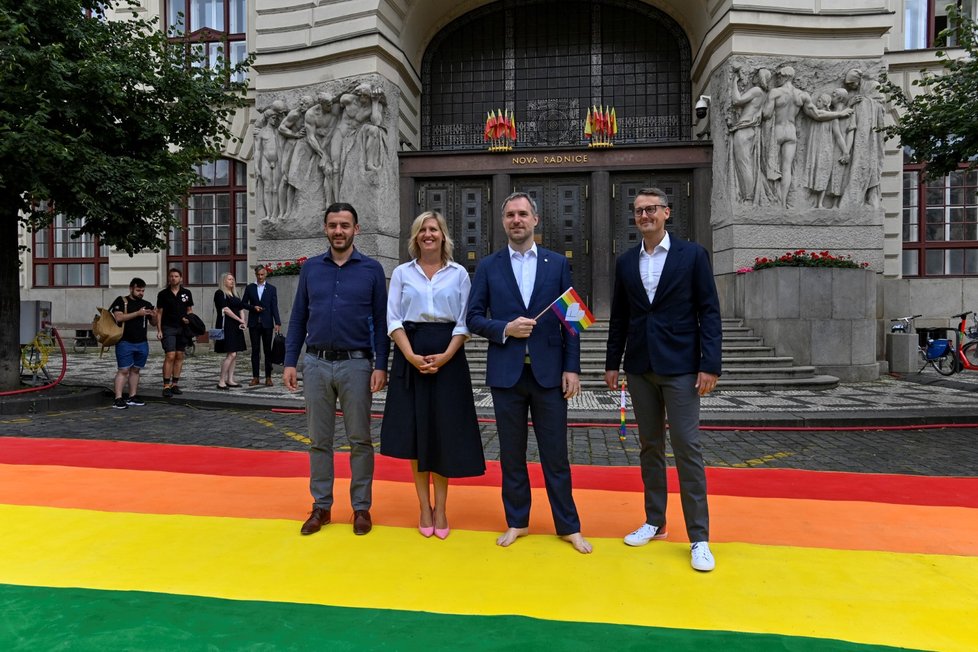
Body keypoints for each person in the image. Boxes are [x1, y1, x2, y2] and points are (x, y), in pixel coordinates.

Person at [603, 187, 723, 572]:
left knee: (687, 448)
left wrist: (710, 365)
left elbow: (710, 312)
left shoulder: (692, 256)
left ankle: (699, 537)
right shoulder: (625, 262)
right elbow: (620, 317)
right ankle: (655, 521)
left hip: (683, 367)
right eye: (639, 211)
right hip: (640, 366)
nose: (645, 216)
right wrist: (612, 363)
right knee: (649, 446)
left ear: (667, 213)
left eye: (652, 209)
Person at [467, 191, 592, 554]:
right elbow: (473, 318)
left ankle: (568, 526)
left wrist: (572, 367)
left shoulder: (556, 263)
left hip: (550, 374)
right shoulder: (489, 266)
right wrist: (505, 328)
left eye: (523, 214)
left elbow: (573, 320)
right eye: (510, 215)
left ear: (536, 220)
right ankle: (517, 521)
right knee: (511, 454)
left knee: (555, 455)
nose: (516, 220)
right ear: (503, 222)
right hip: (507, 375)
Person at [283, 202, 390, 537]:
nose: (339, 231)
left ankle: (361, 508)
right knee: (319, 440)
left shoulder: (371, 270)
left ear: (356, 229)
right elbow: (298, 317)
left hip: (357, 364)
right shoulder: (311, 269)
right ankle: (322, 506)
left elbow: (383, 321)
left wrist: (381, 365)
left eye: (345, 225)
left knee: (360, 439)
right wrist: (290, 361)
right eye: (333, 225)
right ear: (325, 228)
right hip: (315, 364)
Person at [381, 211, 485, 540]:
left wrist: (448, 355)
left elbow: (465, 320)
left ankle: (441, 508)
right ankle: (423, 506)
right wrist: (410, 355)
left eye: (434, 229)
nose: (428, 234)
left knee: (443, 434)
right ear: (415, 237)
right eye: (423, 229)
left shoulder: (459, 275)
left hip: (448, 360)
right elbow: (393, 318)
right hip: (409, 357)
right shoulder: (401, 273)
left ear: (443, 236)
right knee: (416, 434)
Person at [109, 278, 156, 409]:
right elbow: (118, 317)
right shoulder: (121, 301)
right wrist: (138, 313)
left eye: (143, 290)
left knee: (136, 370)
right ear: (131, 288)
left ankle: (132, 396)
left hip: (141, 341)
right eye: (138, 290)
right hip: (125, 341)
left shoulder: (146, 304)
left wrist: (154, 315)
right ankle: (118, 397)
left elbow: (153, 323)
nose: (141, 293)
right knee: (123, 370)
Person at [155, 268, 194, 399]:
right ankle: (166, 385)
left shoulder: (186, 293)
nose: (173, 278)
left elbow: (189, 310)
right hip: (168, 327)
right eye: (171, 276)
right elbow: (159, 313)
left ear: (181, 278)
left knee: (179, 355)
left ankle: (175, 384)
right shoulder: (163, 294)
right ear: (169, 279)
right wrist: (159, 330)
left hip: (182, 328)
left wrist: (190, 322)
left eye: (176, 276)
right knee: (170, 355)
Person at [242, 265, 282, 386]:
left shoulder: (271, 289)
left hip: (267, 323)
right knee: (255, 350)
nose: (260, 277)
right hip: (254, 323)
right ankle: (255, 377)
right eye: (258, 275)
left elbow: (274, 306)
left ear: (266, 275)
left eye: (262, 275)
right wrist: (253, 307)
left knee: (267, 350)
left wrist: (278, 322)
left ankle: (268, 377)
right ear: (255, 275)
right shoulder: (250, 288)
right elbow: (243, 303)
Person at [213, 273, 248, 390]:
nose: (232, 281)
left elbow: (241, 307)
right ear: (223, 281)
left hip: (236, 326)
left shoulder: (235, 293)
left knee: (235, 354)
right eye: (229, 279)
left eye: (233, 279)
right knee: (231, 353)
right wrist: (239, 319)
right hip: (227, 326)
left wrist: (243, 320)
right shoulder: (220, 293)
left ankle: (230, 379)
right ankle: (221, 381)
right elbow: (226, 309)